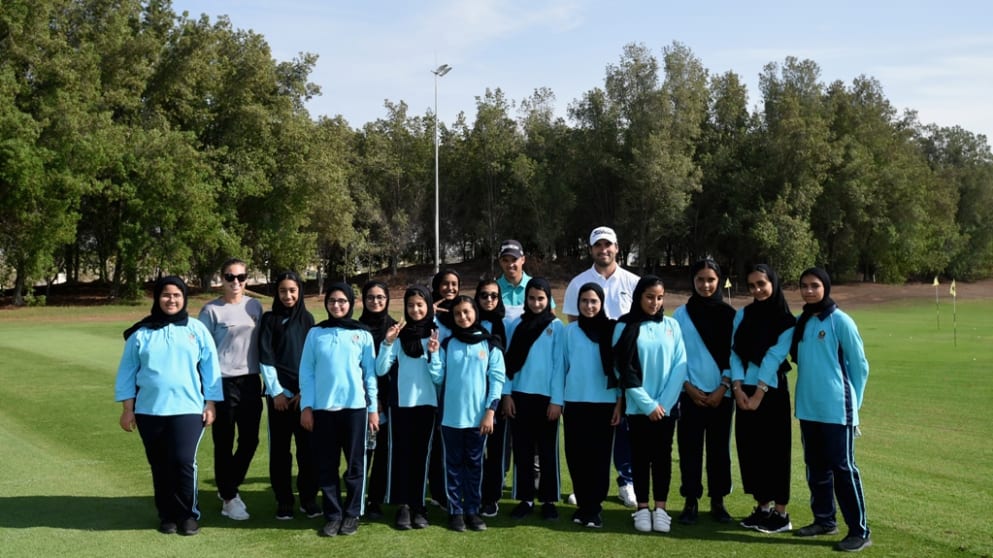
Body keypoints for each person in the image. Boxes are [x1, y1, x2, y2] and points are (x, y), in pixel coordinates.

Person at [115, 276, 223, 536]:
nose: (171, 300)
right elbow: (127, 372)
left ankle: (188, 514)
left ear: (184, 298)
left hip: (188, 408)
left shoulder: (196, 329)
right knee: (160, 465)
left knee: (184, 461)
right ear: (157, 298)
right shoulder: (141, 333)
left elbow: (210, 367)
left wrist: (211, 403)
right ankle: (167, 516)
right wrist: (127, 409)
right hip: (149, 411)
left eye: (176, 295)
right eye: (166, 295)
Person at [790, 268, 872, 552]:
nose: (809, 291)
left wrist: (854, 405)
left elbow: (860, 366)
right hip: (808, 408)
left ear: (825, 287)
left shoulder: (841, 321)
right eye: (804, 286)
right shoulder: (802, 321)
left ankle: (859, 530)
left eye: (814, 286)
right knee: (816, 468)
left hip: (837, 409)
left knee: (843, 469)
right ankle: (824, 520)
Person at [563, 226, 640, 508]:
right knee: (588, 435)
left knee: (623, 428)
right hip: (590, 369)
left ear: (617, 248)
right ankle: (582, 483)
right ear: (591, 249)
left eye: (608, 245)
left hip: (626, 366)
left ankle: (626, 481)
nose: (603, 250)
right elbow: (574, 325)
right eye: (598, 246)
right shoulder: (577, 283)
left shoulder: (632, 282)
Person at [299, 282, 379, 537]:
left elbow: (370, 375)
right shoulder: (315, 333)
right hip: (324, 410)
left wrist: (373, 409)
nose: (337, 305)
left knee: (355, 466)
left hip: (355, 409)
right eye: (332, 301)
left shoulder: (362, 334)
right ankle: (333, 515)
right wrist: (307, 407)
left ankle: (352, 514)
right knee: (327, 465)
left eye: (342, 301)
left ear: (351, 303)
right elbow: (307, 372)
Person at [612, 276, 687, 534]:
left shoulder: (672, 326)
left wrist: (663, 405)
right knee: (641, 457)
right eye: (649, 297)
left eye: (659, 297)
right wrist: (647, 405)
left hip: (666, 409)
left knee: (663, 457)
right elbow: (624, 368)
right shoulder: (625, 326)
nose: (655, 302)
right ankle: (642, 508)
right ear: (639, 297)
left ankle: (661, 508)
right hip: (637, 407)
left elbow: (680, 366)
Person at [731, 264, 796, 534]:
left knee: (775, 452)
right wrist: (737, 388)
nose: (757, 290)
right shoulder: (743, 314)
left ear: (773, 283)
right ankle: (763, 508)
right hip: (743, 390)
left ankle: (780, 515)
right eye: (752, 285)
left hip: (770, 392)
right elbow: (734, 351)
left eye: (762, 284)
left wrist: (758, 394)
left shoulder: (786, 319)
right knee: (752, 451)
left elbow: (773, 358)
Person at [198, 258, 263, 521]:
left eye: (241, 277)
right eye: (230, 277)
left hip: (250, 381)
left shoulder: (255, 306)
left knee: (250, 440)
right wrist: (207, 396)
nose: (236, 282)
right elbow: (201, 353)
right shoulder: (211, 310)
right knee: (223, 443)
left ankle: (227, 485)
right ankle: (228, 498)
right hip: (222, 382)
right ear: (221, 279)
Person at [672, 260, 736, 525]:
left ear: (719, 281)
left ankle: (718, 502)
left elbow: (735, 355)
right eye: (700, 279)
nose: (705, 285)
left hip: (723, 394)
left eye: (710, 279)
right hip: (690, 394)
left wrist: (724, 386)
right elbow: (677, 356)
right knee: (690, 449)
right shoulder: (680, 315)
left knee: (719, 450)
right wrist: (688, 387)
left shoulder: (730, 315)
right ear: (693, 281)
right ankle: (690, 501)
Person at [435, 295, 506, 532]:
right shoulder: (447, 344)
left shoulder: (490, 343)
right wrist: (433, 355)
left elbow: (497, 379)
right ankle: (455, 511)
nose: (463, 317)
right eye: (457, 314)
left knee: (475, 465)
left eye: (467, 312)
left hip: (479, 419)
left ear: (475, 312)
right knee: (453, 465)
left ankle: (473, 510)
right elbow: (438, 377)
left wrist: (490, 412)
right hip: (451, 418)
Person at [376, 285, 441, 530]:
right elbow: (380, 369)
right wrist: (387, 343)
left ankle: (419, 506)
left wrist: (434, 355)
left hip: (427, 406)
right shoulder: (398, 334)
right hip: (401, 405)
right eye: (411, 305)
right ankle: (402, 505)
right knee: (400, 456)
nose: (415, 309)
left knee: (421, 458)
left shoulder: (435, 335)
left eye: (420, 305)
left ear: (428, 306)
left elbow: (438, 378)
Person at [501, 277, 566, 521]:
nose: (537, 303)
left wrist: (557, 400)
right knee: (523, 450)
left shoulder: (556, 326)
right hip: (520, 397)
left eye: (541, 298)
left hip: (547, 399)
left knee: (548, 451)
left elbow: (559, 365)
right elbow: (508, 363)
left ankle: (549, 500)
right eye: (532, 298)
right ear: (525, 299)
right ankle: (525, 498)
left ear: (548, 299)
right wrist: (506, 394)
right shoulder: (515, 324)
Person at [258, 271, 319, 520]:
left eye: (292, 290)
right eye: (283, 291)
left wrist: (305, 392)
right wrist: (278, 392)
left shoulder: (308, 319)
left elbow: (315, 360)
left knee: (308, 452)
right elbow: (265, 356)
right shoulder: (270, 319)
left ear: (300, 291)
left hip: (304, 399)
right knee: (281, 453)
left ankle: (308, 499)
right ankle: (284, 501)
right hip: (280, 401)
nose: (288, 295)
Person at [562, 283, 622, 529]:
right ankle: (583, 505)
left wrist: (619, 402)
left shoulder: (612, 329)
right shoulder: (570, 331)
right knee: (576, 457)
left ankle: (594, 509)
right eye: (584, 301)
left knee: (598, 459)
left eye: (594, 301)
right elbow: (562, 367)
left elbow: (618, 369)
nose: (589, 306)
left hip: (605, 404)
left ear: (602, 302)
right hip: (575, 403)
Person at [357, 280, 396, 520]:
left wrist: (382, 398)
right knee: (361, 452)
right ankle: (356, 497)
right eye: (370, 297)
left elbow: (392, 367)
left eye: (380, 297)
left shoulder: (393, 327)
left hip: (388, 401)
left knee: (382, 453)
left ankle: (375, 500)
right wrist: (371, 398)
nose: (375, 301)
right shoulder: (355, 327)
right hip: (360, 400)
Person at [474, 279, 511, 518]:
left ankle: (491, 497)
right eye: (485, 295)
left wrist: (505, 395)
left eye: (494, 296)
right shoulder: (467, 319)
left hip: (497, 397)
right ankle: (472, 494)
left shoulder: (505, 324)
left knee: (496, 452)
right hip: (471, 396)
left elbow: (507, 365)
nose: (489, 300)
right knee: (473, 450)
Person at [496, 239, 554, 322]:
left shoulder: (537, 286)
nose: (510, 264)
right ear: (500, 262)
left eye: (514, 259)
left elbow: (551, 320)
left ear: (523, 260)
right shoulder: (493, 289)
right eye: (505, 260)